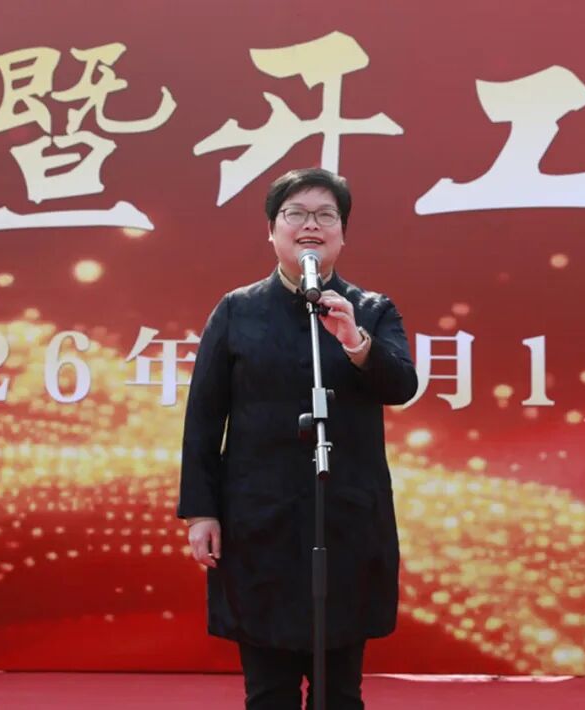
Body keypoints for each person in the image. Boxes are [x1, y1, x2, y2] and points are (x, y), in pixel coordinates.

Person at [177, 167, 418, 709]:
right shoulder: (237, 310)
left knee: (340, 692)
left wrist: (355, 341)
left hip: (345, 519)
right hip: (260, 521)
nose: (311, 225)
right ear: (272, 230)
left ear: (343, 233)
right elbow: (204, 418)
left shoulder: (371, 310)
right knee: (269, 692)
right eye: (296, 214)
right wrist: (200, 512)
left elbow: (402, 385)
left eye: (326, 215)